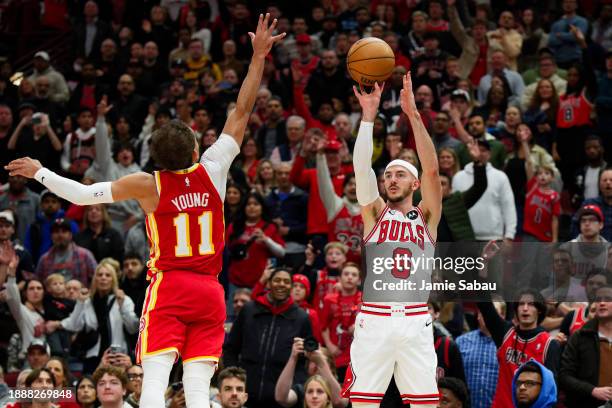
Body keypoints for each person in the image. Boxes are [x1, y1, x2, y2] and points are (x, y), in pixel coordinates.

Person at [5, 14, 284, 408]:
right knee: (199, 385)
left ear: (155, 157)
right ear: (193, 151)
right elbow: (241, 110)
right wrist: (258, 57)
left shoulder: (147, 184)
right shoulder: (214, 167)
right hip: (209, 289)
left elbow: (83, 196)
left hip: (170, 285)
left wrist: (41, 172)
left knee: (154, 379)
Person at [343, 72, 441, 408]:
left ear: (414, 185)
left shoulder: (426, 217)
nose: (391, 179)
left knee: (426, 405)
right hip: (376, 317)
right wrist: (368, 119)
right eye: (387, 175)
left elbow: (431, 170)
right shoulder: (373, 213)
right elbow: (360, 169)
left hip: (415, 318)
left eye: (400, 174)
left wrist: (413, 116)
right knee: (364, 404)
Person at [223, 268, 313, 408]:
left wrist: (294, 389)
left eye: (286, 282)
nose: (281, 284)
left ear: (291, 286)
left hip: (280, 399)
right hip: (245, 396)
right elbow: (231, 349)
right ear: (269, 284)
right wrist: (234, 376)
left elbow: (304, 362)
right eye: (277, 280)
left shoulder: (302, 318)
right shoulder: (249, 310)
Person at [45, 260, 139, 373]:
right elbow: (74, 325)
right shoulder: (87, 301)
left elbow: (133, 328)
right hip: (92, 356)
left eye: (108, 275)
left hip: (117, 356)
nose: (103, 278)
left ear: (113, 279)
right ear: (95, 279)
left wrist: (122, 306)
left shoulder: (123, 299)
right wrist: (79, 303)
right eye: (100, 275)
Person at [477, 288, 561, 408]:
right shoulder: (504, 333)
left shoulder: (549, 343)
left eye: (531, 304)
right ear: (516, 310)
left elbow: (551, 392)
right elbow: (484, 304)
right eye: (521, 304)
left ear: (539, 311)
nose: (525, 308)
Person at [559, 284, 612, 407]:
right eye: (598, 300)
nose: (601, 303)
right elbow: (564, 376)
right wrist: (592, 390)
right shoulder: (580, 336)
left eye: (608, 299)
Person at [456, 302, 505, 408]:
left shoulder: (508, 344)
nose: (488, 316)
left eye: (494, 313)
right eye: (484, 312)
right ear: (478, 316)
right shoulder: (461, 342)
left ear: (502, 317)